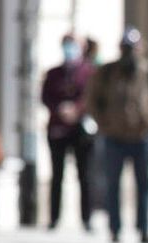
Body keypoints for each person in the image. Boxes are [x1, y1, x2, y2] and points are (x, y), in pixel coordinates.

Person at [86, 28, 148, 243]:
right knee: (113, 185)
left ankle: (144, 229)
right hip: (114, 137)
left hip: (141, 137)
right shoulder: (107, 72)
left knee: (144, 186)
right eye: (126, 48)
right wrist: (104, 123)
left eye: (133, 48)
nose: (130, 53)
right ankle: (115, 228)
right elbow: (92, 101)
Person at [41, 34, 96, 232]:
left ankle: (87, 218)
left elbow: (92, 96)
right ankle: (54, 218)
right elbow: (46, 96)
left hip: (81, 130)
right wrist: (59, 109)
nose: (70, 49)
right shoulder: (54, 73)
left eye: (74, 45)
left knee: (85, 175)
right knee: (57, 175)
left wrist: (77, 110)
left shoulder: (89, 72)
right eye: (67, 45)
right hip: (57, 128)